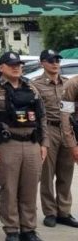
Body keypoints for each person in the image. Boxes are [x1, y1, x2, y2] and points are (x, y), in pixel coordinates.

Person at [0, 51, 48, 241]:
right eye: (12, 64)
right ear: (1, 68)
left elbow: (42, 117)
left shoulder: (31, 88)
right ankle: (11, 229)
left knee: (30, 188)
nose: (16, 68)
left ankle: (29, 229)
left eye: (19, 64)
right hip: (8, 145)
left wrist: (44, 144)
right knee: (9, 188)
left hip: (32, 143)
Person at [35, 49, 78, 228]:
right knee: (47, 174)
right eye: (51, 60)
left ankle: (64, 211)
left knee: (66, 173)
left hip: (68, 130)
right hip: (49, 130)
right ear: (42, 63)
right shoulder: (35, 85)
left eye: (57, 61)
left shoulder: (68, 83)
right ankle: (50, 212)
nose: (55, 64)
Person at [55, 60, 78, 228]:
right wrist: (72, 145)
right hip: (75, 136)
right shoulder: (73, 84)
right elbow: (65, 117)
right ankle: (56, 212)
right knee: (63, 176)